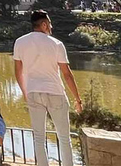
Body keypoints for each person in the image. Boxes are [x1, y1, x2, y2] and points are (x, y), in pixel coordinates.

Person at [13, 10, 82, 166]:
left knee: (39, 138)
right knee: (64, 138)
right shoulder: (56, 44)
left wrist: (25, 92)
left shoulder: (20, 42)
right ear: (44, 24)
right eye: (49, 23)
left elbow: (18, 72)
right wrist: (77, 99)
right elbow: (67, 75)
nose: (51, 26)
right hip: (55, 92)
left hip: (33, 92)